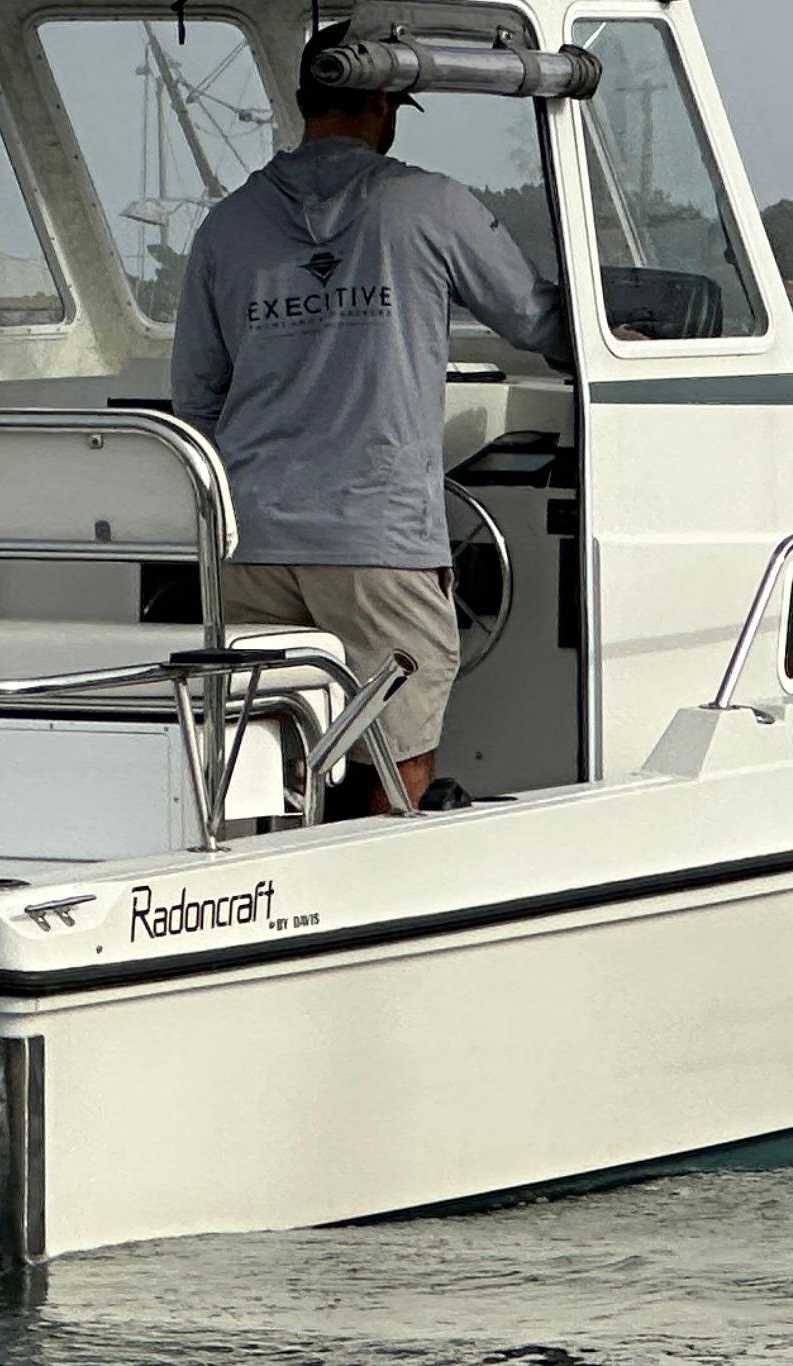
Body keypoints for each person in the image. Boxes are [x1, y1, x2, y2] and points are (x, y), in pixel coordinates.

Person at [170, 47, 570, 811]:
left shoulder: (226, 228)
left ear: (302, 104)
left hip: (248, 539)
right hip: (377, 536)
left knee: (262, 759)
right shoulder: (428, 205)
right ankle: (383, 888)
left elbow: (196, 394)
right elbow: (535, 319)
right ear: (382, 105)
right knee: (401, 745)